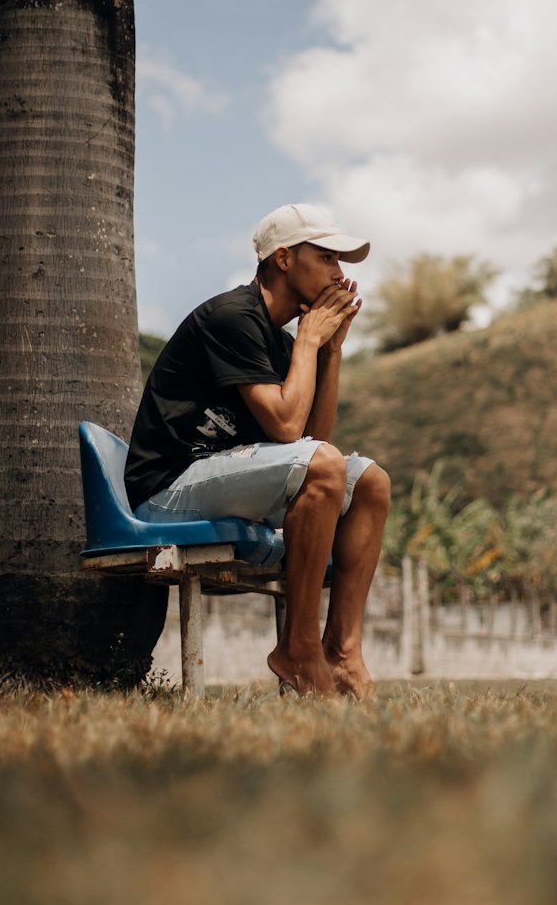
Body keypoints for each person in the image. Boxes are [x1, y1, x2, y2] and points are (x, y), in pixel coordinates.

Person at [125, 203, 391, 699]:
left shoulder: (283, 342)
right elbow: (290, 428)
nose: (340, 274)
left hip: (218, 478)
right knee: (324, 465)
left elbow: (317, 440)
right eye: (328, 258)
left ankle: (342, 652)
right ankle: (300, 648)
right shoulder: (233, 317)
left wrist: (329, 351)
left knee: (371, 481)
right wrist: (309, 343)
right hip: (167, 490)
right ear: (285, 259)